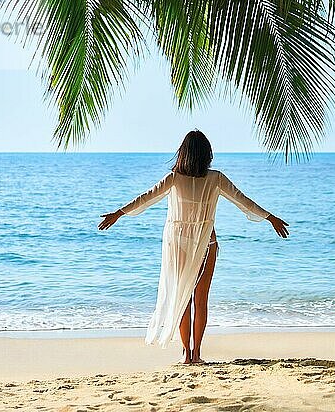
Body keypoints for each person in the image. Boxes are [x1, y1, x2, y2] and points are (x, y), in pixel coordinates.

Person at [98, 130, 289, 364]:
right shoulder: (216, 178)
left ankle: (186, 354)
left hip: (178, 242)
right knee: (200, 299)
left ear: (183, 153)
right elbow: (243, 200)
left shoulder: (175, 178)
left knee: (182, 298)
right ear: (207, 154)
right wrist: (270, 218)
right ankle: (197, 353)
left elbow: (146, 197)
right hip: (207, 242)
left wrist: (119, 213)